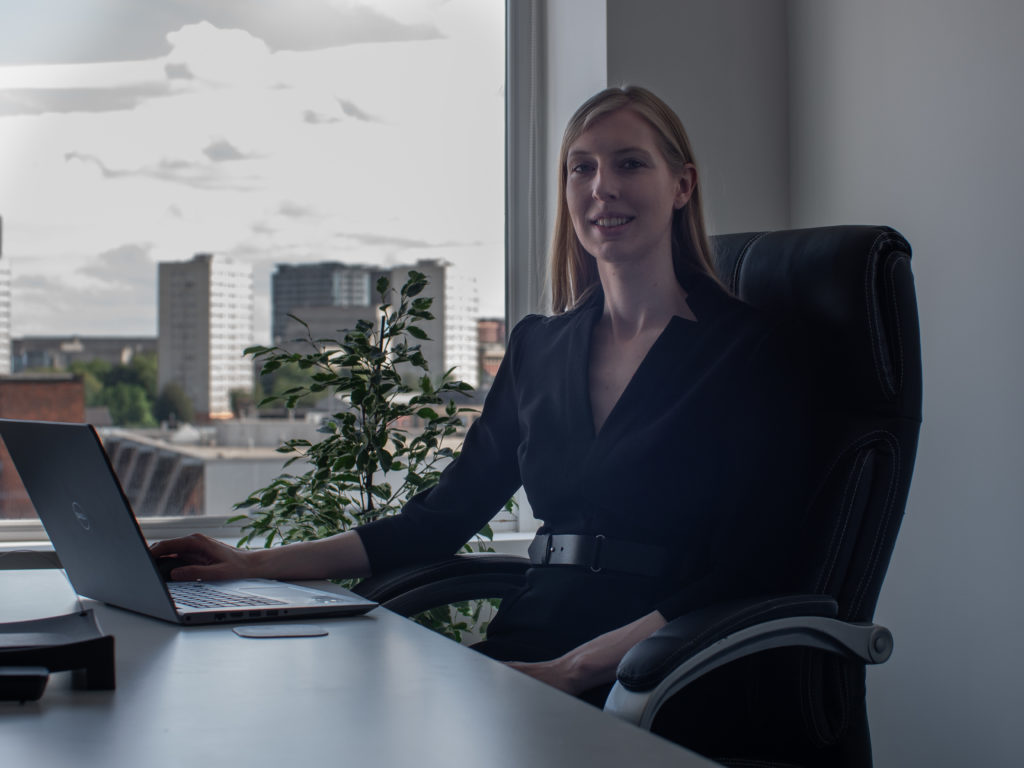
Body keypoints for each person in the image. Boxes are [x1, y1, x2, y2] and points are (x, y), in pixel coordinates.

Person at [151, 85, 806, 707]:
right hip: (529, 650)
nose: (602, 188)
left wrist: (575, 671)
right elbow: (440, 519)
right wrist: (249, 563)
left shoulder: (743, 350)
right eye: (581, 169)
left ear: (682, 185)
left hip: (660, 672)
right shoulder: (538, 347)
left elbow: (749, 567)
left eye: (629, 164)